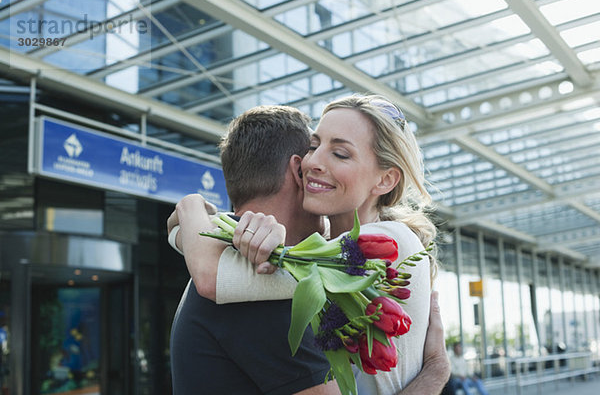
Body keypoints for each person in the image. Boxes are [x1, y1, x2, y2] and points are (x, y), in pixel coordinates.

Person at [169, 99, 449, 394]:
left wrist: (189, 212)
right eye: (314, 147)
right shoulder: (329, 246)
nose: (313, 162)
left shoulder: (387, 243)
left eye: (340, 153)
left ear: (385, 180)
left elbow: (213, 276)